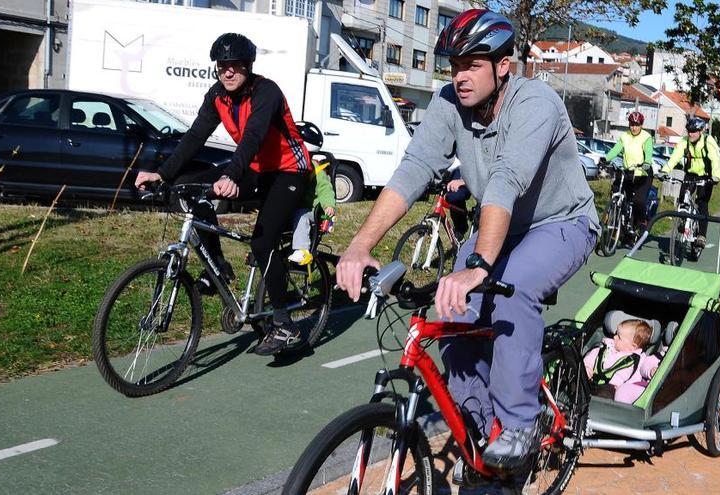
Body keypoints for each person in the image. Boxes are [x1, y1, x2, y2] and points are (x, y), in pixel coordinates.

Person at [335, 9, 598, 474]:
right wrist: (360, 245)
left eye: (472, 65)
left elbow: (505, 180)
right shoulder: (448, 104)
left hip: (560, 222)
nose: (460, 77)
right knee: (454, 307)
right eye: (454, 65)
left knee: (511, 290)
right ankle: (477, 430)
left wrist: (478, 263)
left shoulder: (534, 102)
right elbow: (413, 170)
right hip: (501, 225)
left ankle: (520, 425)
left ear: (503, 66)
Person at [134, 33, 313, 357]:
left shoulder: (266, 91)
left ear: (248, 66)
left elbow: (254, 136)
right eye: (222, 67)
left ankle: (284, 322)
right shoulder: (217, 96)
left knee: (263, 241)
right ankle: (218, 263)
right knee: (189, 192)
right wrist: (162, 173)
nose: (228, 72)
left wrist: (232, 174)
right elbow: (194, 137)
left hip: (289, 170)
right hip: (256, 167)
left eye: (235, 66)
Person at [658, 117, 720, 248]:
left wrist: (715, 176)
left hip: (706, 176)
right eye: (689, 131)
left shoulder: (708, 141)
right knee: (682, 197)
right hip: (691, 174)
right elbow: (675, 157)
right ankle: (683, 221)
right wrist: (664, 171)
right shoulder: (684, 142)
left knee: (702, 203)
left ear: (701, 131)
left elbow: (715, 159)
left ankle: (701, 235)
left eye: (693, 131)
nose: (690, 134)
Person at [288, 122, 336, 265]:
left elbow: (325, 189)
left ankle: (302, 250)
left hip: (311, 209)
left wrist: (328, 205)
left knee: (301, 216)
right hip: (293, 207)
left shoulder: (317, 170)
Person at [583, 319, 657, 403]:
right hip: (590, 381)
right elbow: (592, 356)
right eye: (616, 334)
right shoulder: (607, 347)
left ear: (633, 346)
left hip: (612, 390)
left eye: (619, 337)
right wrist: (587, 367)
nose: (614, 337)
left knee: (605, 394)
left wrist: (651, 371)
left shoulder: (640, 359)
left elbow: (646, 367)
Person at [603, 111, 654, 233]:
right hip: (628, 172)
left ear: (641, 125)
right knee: (616, 191)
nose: (634, 127)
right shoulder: (624, 136)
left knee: (638, 201)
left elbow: (649, 153)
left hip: (643, 173)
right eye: (631, 124)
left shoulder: (646, 137)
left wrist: (647, 162)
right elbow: (615, 150)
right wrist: (605, 158)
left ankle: (641, 221)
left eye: (636, 125)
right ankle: (617, 217)